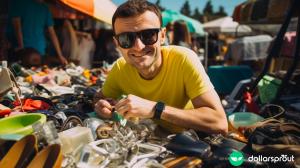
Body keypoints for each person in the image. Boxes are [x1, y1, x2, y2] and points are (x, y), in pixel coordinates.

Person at [94, 0, 228, 135]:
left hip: (193, 142)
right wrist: (103, 106)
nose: (138, 47)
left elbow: (220, 123)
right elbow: (100, 98)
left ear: (162, 36)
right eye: (126, 39)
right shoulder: (120, 68)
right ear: (117, 43)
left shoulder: (183, 59)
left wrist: (155, 109)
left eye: (148, 35)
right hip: (155, 141)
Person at [9, 0, 68, 65]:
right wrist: (60, 56)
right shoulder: (20, 2)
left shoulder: (44, 8)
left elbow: (52, 34)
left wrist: (60, 56)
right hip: (28, 52)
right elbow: (17, 27)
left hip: (34, 52)